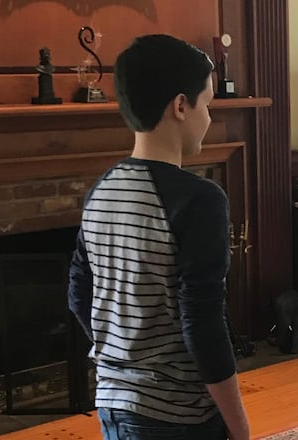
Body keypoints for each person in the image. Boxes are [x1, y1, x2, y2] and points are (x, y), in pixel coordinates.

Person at [67, 34, 251, 440]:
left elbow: (79, 293)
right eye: (207, 103)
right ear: (181, 106)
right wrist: (240, 429)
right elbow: (203, 325)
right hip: (177, 418)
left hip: (114, 407)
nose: (209, 116)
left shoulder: (101, 190)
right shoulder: (199, 200)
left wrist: (122, 361)